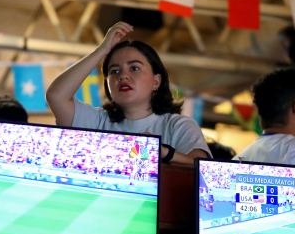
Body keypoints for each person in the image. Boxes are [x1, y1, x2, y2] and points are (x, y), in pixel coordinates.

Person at [46, 21, 211, 165]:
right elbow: (56, 96)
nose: (123, 76)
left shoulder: (178, 125)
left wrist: (161, 152)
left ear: (156, 81)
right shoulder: (98, 121)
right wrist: (102, 50)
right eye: (114, 71)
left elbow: (200, 167)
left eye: (134, 68)